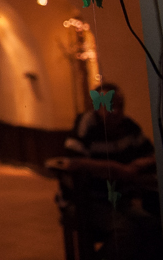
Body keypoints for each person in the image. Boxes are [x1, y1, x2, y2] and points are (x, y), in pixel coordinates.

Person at [58, 82, 161, 259]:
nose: (116, 111)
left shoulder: (128, 126)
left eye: (120, 105)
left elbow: (152, 155)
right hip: (85, 201)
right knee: (124, 231)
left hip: (118, 199)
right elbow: (73, 162)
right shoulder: (86, 124)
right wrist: (117, 168)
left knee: (152, 225)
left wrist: (138, 165)